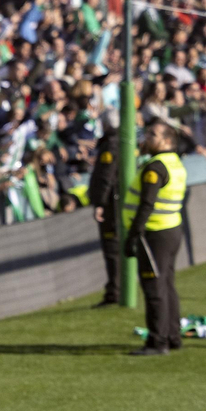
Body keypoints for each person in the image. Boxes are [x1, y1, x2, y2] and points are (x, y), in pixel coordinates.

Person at [124, 123, 187, 355]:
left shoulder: (156, 167)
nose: (147, 138)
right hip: (171, 230)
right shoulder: (175, 163)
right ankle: (173, 335)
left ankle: (157, 342)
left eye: (153, 135)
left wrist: (133, 234)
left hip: (155, 233)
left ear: (167, 141)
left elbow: (147, 204)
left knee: (154, 287)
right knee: (167, 284)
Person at [86, 131, 122, 308]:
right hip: (118, 202)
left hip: (111, 205)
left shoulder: (111, 145)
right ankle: (116, 288)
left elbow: (106, 175)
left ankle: (115, 291)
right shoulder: (122, 141)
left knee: (112, 249)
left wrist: (100, 202)